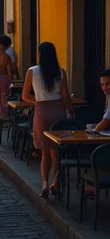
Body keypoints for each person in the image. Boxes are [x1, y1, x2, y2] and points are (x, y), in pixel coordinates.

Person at [22, 41, 74, 198]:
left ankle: (44, 183)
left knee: (44, 152)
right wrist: (71, 113)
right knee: (56, 151)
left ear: (40, 54)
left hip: (42, 111)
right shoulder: (61, 72)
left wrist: (36, 101)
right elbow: (65, 96)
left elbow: (25, 96)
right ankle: (55, 182)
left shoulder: (32, 71)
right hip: (58, 111)